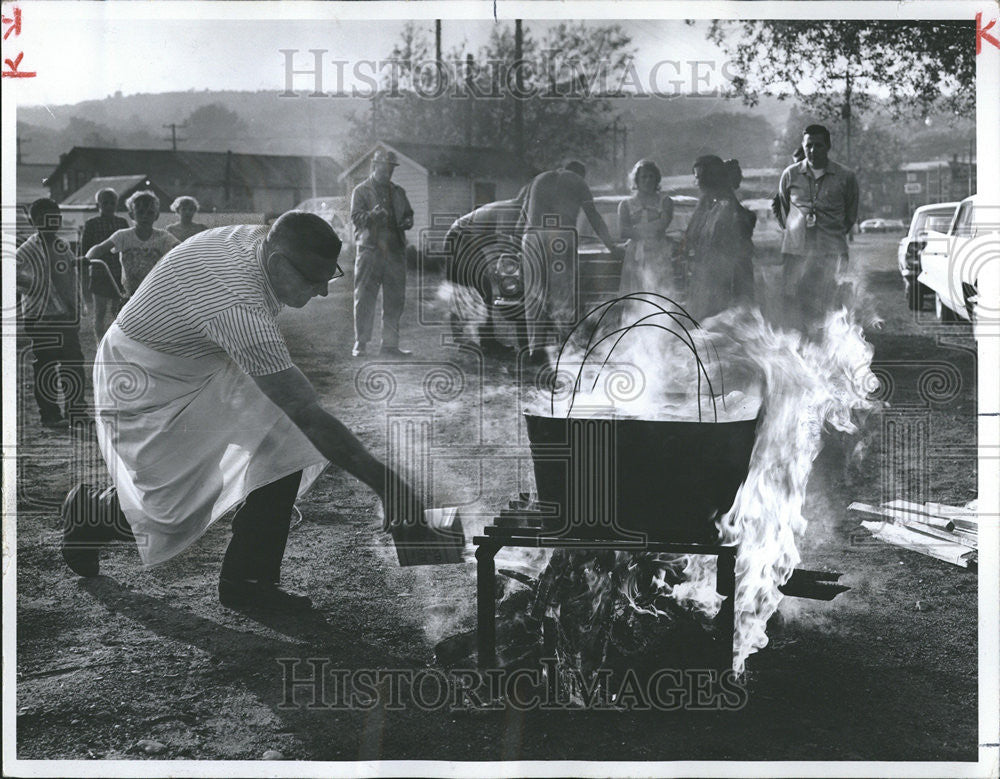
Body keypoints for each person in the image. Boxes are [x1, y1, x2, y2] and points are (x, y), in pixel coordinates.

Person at [60, 211, 426, 612]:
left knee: (284, 444)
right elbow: (305, 409)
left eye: (329, 275)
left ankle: (247, 581)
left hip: (202, 355)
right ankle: (91, 513)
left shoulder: (258, 240)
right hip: (143, 374)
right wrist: (389, 485)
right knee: (176, 508)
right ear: (276, 263)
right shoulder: (238, 306)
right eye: (312, 279)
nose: (323, 291)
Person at [517, 160, 624, 362]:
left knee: (534, 295)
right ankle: (566, 348)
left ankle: (535, 350)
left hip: (531, 236)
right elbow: (594, 217)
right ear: (581, 174)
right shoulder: (578, 182)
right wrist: (612, 247)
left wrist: (516, 247)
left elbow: (521, 217)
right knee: (562, 295)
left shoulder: (538, 180)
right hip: (560, 235)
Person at [775, 124, 860, 331]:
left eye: (818, 145)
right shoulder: (790, 175)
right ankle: (799, 354)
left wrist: (830, 235)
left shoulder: (846, 177)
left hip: (831, 253)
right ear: (803, 146)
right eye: (808, 145)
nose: (813, 150)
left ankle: (830, 355)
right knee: (795, 307)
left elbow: (850, 216)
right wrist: (797, 233)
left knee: (831, 308)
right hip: (796, 254)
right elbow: (783, 210)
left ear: (828, 146)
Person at [15, 199, 89, 429]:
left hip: (66, 316)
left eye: (55, 217)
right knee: (45, 365)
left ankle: (76, 411)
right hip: (40, 318)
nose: (51, 222)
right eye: (44, 218)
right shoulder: (27, 249)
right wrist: (35, 282)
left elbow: (69, 278)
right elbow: (12, 272)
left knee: (73, 363)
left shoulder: (62, 245)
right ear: (33, 221)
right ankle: (50, 415)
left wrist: (75, 308)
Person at [444, 186, 528, 354]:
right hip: (460, 238)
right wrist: (495, 265)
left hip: (470, 240)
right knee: (471, 289)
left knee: (482, 290)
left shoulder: (514, 210)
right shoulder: (511, 210)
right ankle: (471, 341)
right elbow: (504, 242)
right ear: (526, 201)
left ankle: (484, 341)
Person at [350, 149, 415, 358]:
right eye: (384, 167)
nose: (388, 172)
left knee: (395, 300)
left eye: (391, 169)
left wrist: (407, 221)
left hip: (395, 253)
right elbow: (356, 218)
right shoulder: (361, 191)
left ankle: (390, 346)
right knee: (365, 299)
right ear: (374, 166)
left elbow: (408, 214)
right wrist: (372, 216)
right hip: (370, 252)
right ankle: (360, 344)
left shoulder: (398, 192)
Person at [682, 155, 756, 322]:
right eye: (697, 178)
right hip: (705, 277)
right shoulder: (706, 204)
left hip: (725, 279)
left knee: (721, 326)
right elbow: (692, 236)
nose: (699, 183)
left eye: (703, 178)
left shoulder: (728, 206)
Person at [85, 190, 179, 298]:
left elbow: (181, 248)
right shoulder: (123, 236)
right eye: (140, 212)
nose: (145, 216)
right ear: (131, 214)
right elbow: (100, 248)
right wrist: (87, 258)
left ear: (156, 215)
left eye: (150, 213)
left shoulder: (163, 237)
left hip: (155, 292)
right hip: (130, 293)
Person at [617, 159, 674, 297]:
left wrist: (637, 230)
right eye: (643, 176)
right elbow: (623, 231)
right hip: (635, 255)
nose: (648, 180)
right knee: (636, 294)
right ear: (636, 180)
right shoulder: (625, 205)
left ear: (657, 179)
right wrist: (649, 229)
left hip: (658, 253)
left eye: (651, 176)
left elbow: (661, 226)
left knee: (659, 293)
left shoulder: (665, 202)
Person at [80, 188, 130, 340]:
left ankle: (116, 342)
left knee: (118, 311)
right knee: (100, 311)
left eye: (112, 203)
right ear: (98, 205)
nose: (109, 206)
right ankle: (99, 342)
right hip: (99, 273)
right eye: (105, 203)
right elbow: (85, 249)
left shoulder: (122, 222)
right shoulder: (92, 223)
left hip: (118, 273)